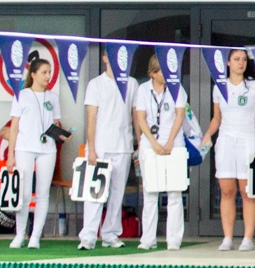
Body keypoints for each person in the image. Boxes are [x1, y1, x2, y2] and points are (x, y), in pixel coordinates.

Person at [205, 48, 255, 252]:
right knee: (227, 191)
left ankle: (248, 238)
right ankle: (228, 237)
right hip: (225, 141)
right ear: (228, 63)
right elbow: (217, 118)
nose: (240, 63)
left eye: (243, 59)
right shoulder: (219, 87)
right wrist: (207, 135)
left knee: (248, 192)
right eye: (236, 59)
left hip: (248, 140)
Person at [3, 52, 62, 250]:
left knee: (42, 193)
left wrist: (62, 134)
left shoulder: (53, 97)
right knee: (24, 194)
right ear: (33, 74)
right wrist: (10, 155)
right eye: (44, 72)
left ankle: (35, 236)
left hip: (47, 149)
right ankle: (20, 234)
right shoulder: (21, 95)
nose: (48, 76)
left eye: (50, 72)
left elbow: (55, 123)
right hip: (25, 148)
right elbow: (14, 126)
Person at [134, 54, 189, 251]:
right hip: (150, 145)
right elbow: (141, 118)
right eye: (162, 71)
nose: (167, 74)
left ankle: (173, 240)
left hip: (174, 143)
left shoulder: (177, 88)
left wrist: (169, 141)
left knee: (174, 192)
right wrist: (153, 143)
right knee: (150, 193)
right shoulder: (142, 90)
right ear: (152, 73)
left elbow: (180, 115)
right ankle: (148, 239)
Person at [79, 48, 132, 251]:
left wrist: (136, 146)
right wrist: (91, 149)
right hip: (100, 147)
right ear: (104, 58)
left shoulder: (132, 83)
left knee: (117, 194)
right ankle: (89, 236)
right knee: (94, 193)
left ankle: (110, 234)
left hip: (123, 146)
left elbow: (135, 115)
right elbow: (91, 118)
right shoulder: (96, 84)